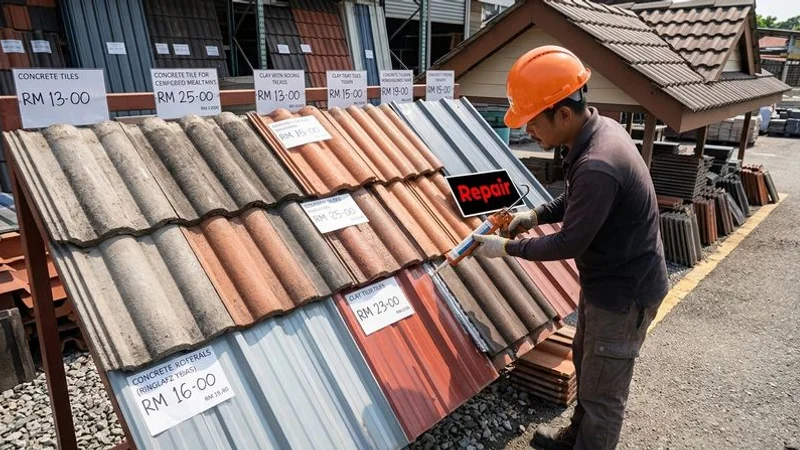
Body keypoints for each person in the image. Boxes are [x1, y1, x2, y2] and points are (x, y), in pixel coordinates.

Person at [471, 45, 669, 450]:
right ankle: (573, 440)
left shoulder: (598, 161)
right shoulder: (596, 134)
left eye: (532, 121)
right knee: (587, 364)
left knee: (602, 397)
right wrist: (535, 215)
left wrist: (505, 250)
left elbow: (571, 241)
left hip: (624, 296)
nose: (528, 131)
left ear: (563, 113)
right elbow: (576, 203)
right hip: (606, 285)